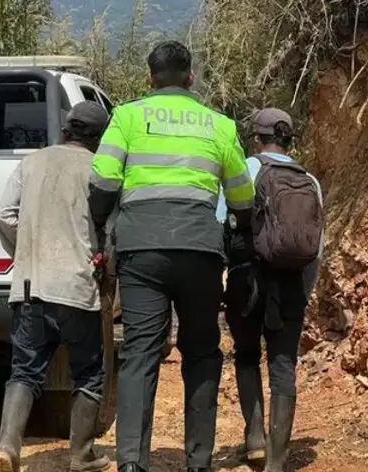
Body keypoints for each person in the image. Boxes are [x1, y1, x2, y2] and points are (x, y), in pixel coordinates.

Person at [88, 40, 255, 472]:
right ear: (190, 78)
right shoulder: (218, 124)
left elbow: (103, 182)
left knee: (140, 353)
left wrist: (102, 231)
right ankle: (198, 462)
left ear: (149, 79)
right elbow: (241, 196)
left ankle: (130, 462)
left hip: (141, 249)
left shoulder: (126, 116)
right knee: (201, 351)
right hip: (200, 250)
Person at [0, 101, 112, 472]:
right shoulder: (99, 169)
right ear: (99, 139)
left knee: (24, 372)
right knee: (89, 372)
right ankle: (81, 455)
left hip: (30, 286)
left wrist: (26, 251)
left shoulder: (30, 162)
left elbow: (3, 215)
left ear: (66, 130)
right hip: (77, 288)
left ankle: (8, 448)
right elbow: (110, 230)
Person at [217, 108, 324, 472]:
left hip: (247, 280)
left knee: (247, 356)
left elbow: (222, 225)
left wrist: (224, 281)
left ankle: (255, 441)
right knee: (284, 367)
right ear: (289, 139)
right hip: (290, 284)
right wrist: (302, 292)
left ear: (256, 137)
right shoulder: (308, 180)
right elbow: (314, 250)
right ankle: (278, 463)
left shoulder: (245, 170)